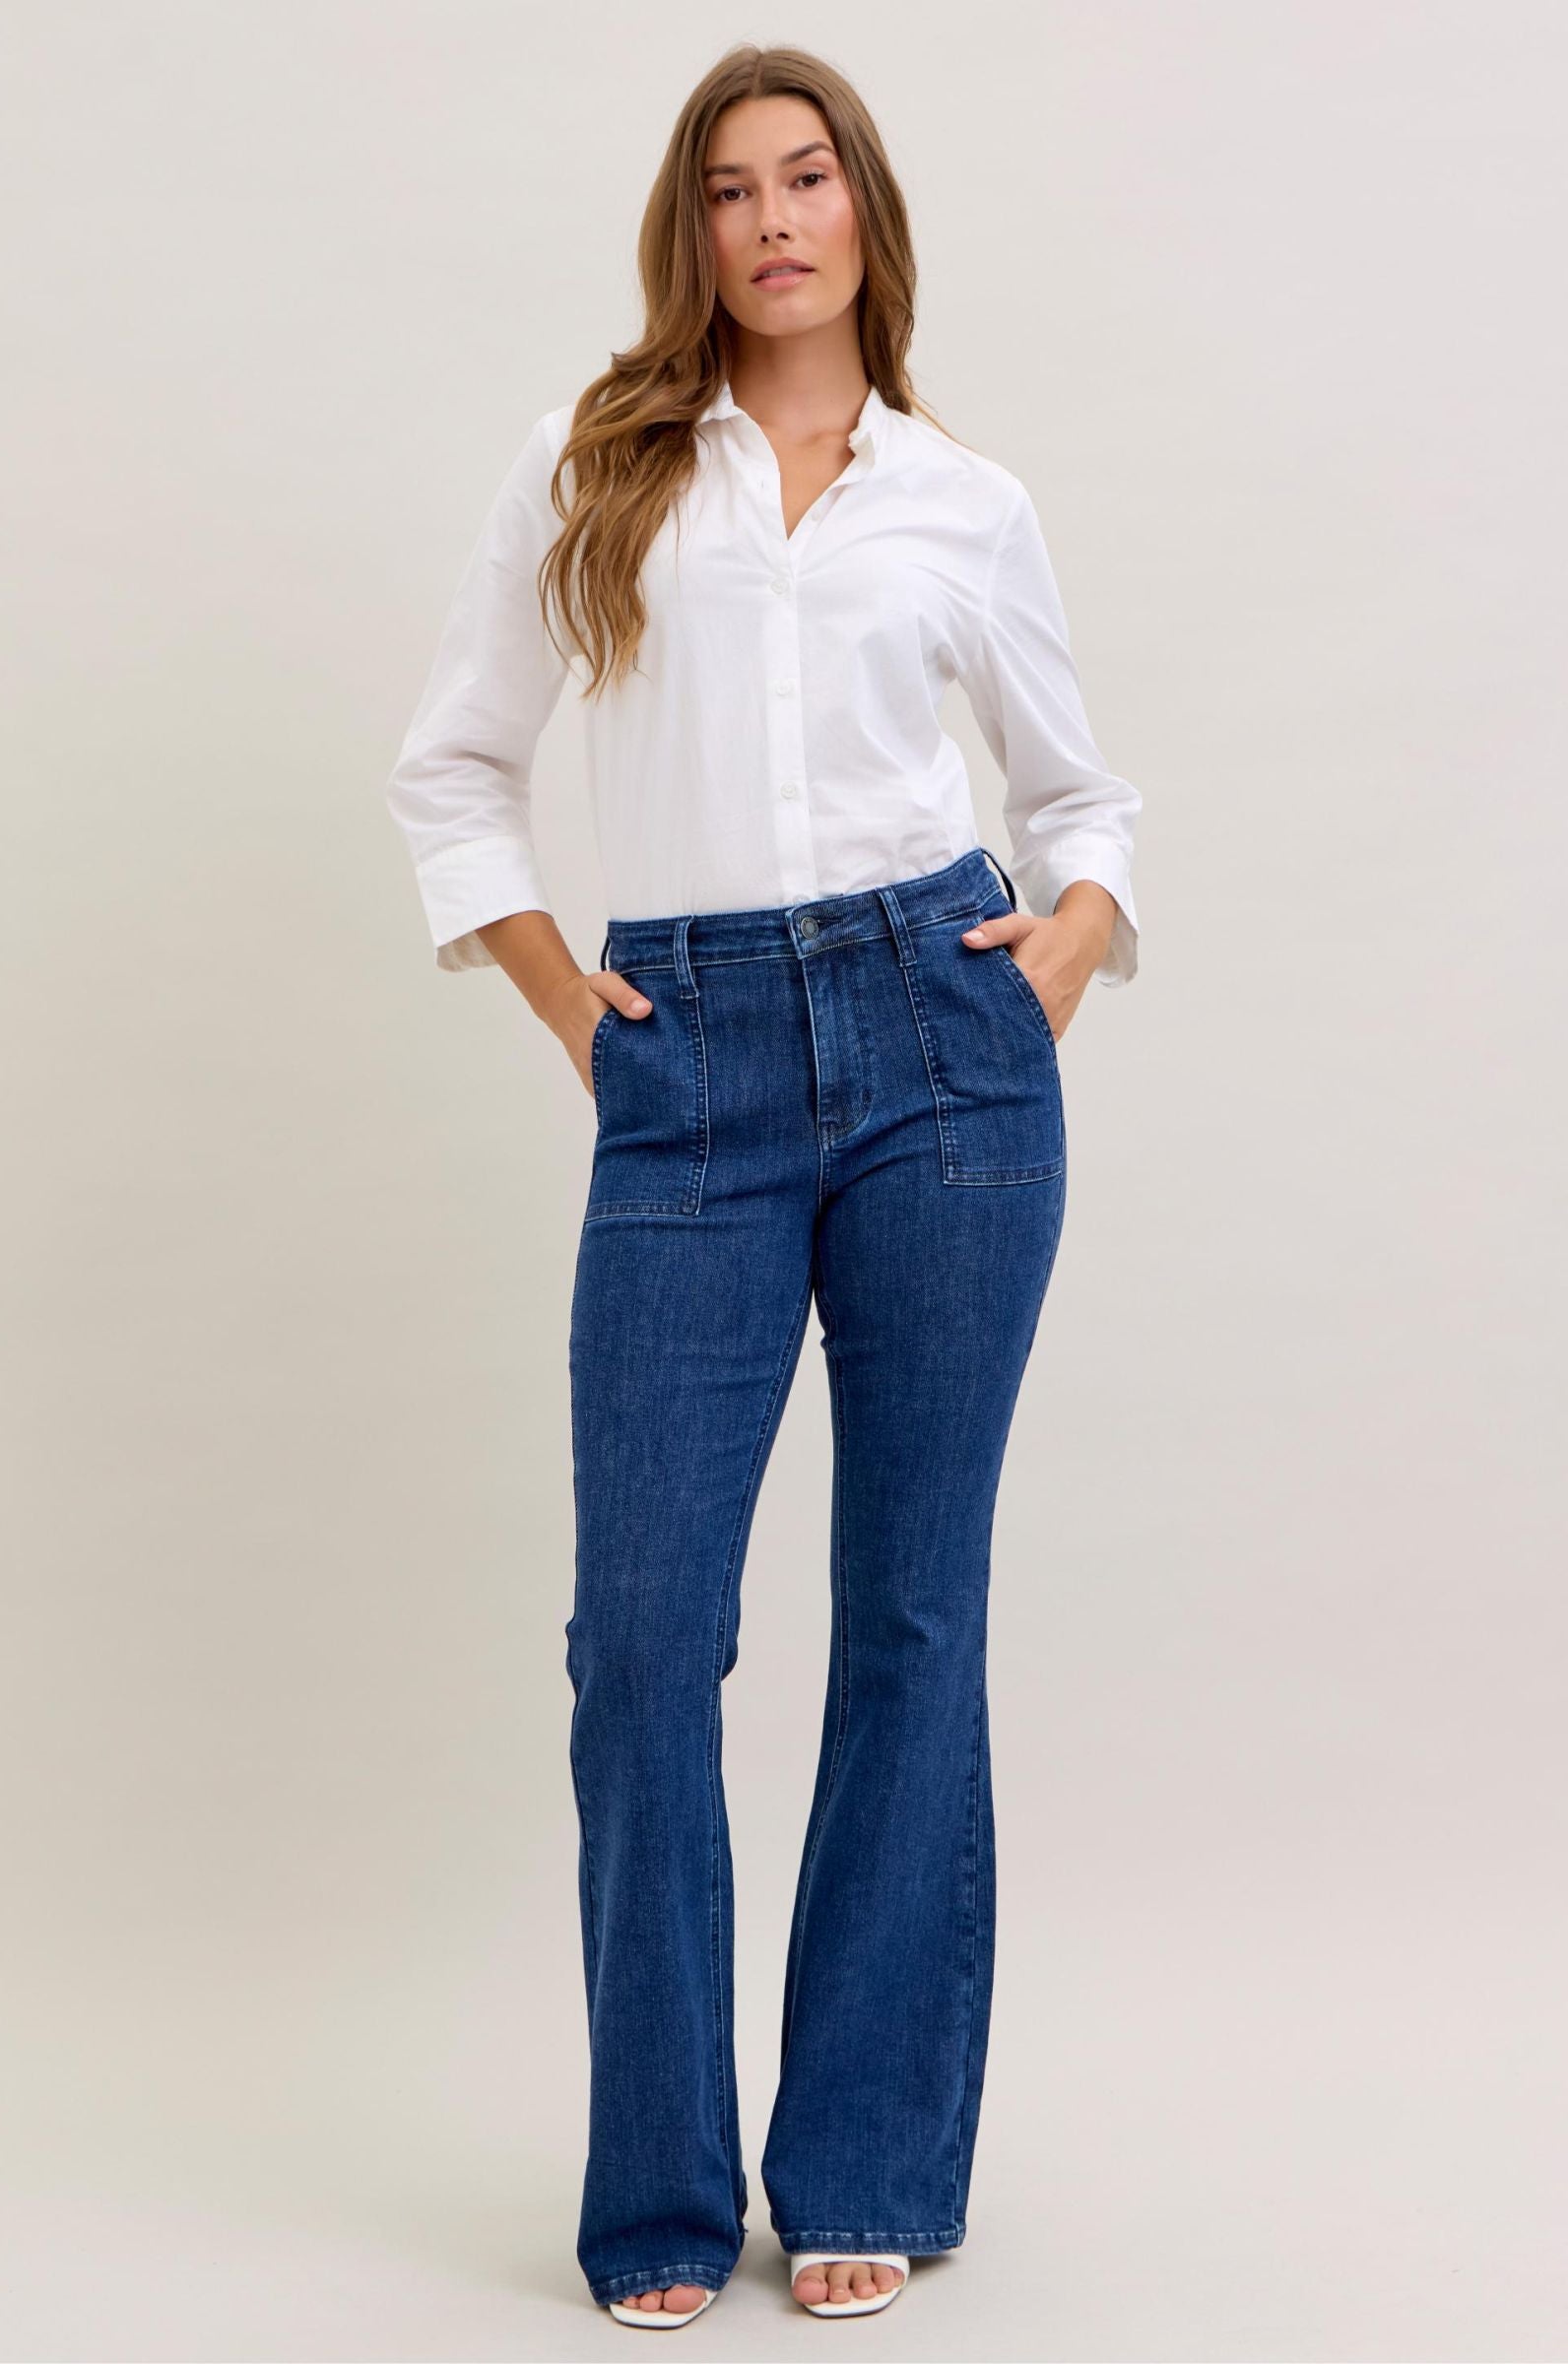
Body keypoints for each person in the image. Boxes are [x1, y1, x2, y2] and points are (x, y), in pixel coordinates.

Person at [384, 43, 1142, 2331]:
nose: (772, 220)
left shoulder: (959, 500)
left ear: (860, 211)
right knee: (642, 1645)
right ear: (690, 232)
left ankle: (866, 2167)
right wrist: (565, 1009)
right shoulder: (595, 464)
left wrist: (1049, 968)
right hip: (687, 1063)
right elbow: (453, 769)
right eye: (729, 190)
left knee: (913, 1625)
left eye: (805, 178)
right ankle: (649, 2199)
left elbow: (1083, 804)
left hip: (941, 1051)